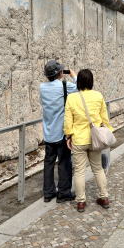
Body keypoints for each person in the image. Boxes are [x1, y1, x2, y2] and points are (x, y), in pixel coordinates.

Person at [64, 69, 114, 213]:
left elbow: (68, 120)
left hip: (79, 139)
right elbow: (104, 117)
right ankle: (104, 197)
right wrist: (108, 131)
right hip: (95, 139)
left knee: (79, 171)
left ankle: (81, 201)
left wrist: (68, 135)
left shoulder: (72, 98)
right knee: (98, 168)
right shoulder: (98, 96)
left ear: (78, 82)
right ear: (91, 81)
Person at [39, 60, 77, 203]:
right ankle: (64, 193)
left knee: (48, 163)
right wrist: (73, 75)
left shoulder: (42, 87)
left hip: (48, 132)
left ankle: (48, 193)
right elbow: (81, 87)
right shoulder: (64, 85)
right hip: (61, 132)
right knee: (64, 162)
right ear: (60, 73)